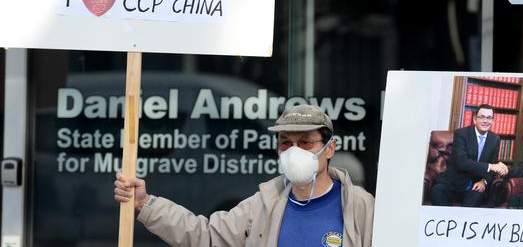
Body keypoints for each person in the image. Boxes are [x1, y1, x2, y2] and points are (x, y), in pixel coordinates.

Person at [114, 104, 374, 247]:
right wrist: (146, 203)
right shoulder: (262, 204)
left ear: (330, 149)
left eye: (306, 142)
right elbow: (205, 236)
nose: (294, 151)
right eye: (285, 142)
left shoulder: (359, 206)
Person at [430, 104, 508, 207]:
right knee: (437, 191)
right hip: (453, 183)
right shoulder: (461, 134)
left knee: (477, 198)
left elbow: (492, 170)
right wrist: (491, 167)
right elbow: (462, 162)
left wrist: (484, 182)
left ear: (493, 121)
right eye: (482, 117)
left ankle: (462, 222)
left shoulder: (495, 139)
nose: (485, 121)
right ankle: (449, 221)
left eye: (489, 118)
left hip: (475, 187)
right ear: (475, 119)